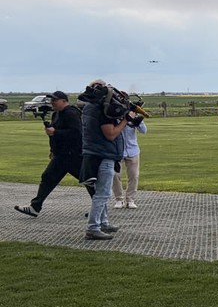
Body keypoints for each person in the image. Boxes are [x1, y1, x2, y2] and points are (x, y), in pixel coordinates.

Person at [13, 90, 95, 217]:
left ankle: (99, 208)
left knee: (87, 180)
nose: (52, 103)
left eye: (55, 100)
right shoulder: (57, 114)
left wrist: (55, 132)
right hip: (62, 155)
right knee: (50, 178)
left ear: (64, 101)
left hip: (72, 154)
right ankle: (35, 206)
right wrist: (52, 149)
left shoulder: (71, 113)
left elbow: (76, 133)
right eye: (52, 100)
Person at [79, 80, 130, 240]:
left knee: (101, 192)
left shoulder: (88, 107)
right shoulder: (102, 110)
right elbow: (111, 134)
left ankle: (103, 222)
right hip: (104, 155)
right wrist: (125, 121)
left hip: (94, 154)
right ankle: (93, 227)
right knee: (102, 193)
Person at [110, 114, 148, 209]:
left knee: (134, 175)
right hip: (118, 150)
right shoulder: (116, 117)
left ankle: (130, 199)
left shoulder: (133, 117)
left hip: (133, 150)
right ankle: (119, 199)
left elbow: (144, 131)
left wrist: (138, 122)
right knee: (115, 175)